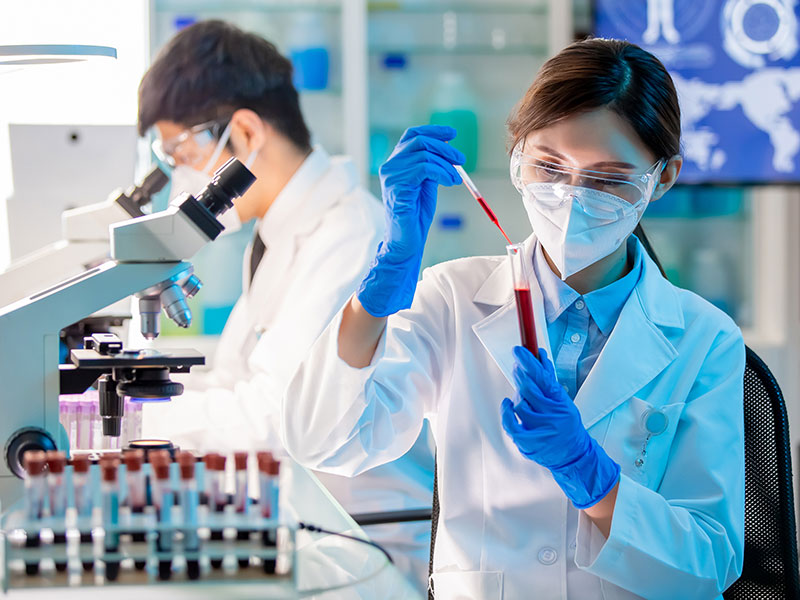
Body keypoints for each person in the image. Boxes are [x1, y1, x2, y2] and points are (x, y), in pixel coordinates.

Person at [283, 38, 745, 599]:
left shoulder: (705, 339)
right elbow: (326, 442)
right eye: (550, 166)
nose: (573, 196)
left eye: (608, 178)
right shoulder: (452, 299)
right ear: (516, 155)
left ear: (664, 176)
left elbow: (708, 564)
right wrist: (378, 293)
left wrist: (589, 475)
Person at [135, 20, 434, 591]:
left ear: (244, 134)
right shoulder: (276, 231)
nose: (180, 178)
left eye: (181, 152)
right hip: (304, 523)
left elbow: (274, 421)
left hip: (368, 547)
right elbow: (236, 382)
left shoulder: (351, 234)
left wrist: (133, 420)